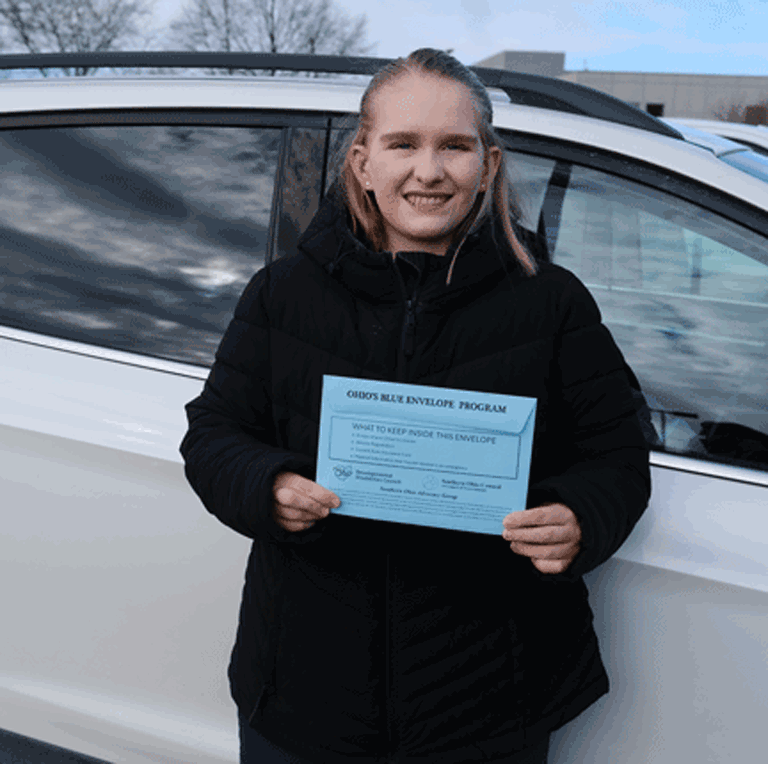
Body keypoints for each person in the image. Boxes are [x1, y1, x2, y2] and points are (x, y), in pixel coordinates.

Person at [180, 48, 651, 764]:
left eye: (454, 146)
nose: (428, 172)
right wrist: (266, 485)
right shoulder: (283, 294)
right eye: (403, 144)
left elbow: (616, 457)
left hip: (491, 702)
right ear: (363, 163)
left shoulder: (552, 306)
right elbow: (214, 434)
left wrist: (580, 517)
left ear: (487, 166)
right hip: (309, 697)